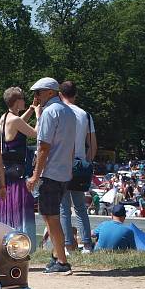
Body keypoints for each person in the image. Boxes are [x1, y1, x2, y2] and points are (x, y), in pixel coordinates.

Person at [26, 77, 76, 275]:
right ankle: (56, 256)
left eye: (38, 92)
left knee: (51, 217)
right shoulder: (69, 112)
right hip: (63, 172)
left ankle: (62, 261)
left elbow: (44, 148)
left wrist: (35, 176)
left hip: (50, 172)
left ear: (49, 92)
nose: (36, 97)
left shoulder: (49, 112)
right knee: (52, 217)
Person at [58, 80, 96, 254]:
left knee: (64, 207)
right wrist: (86, 162)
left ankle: (67, 246)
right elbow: (93, 145)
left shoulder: (58, 112)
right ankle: (87, 244)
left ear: (60, 94)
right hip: (79, 162)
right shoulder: (85, 115)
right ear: (76, 94)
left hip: (62, 162)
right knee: (80, 207)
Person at [0, 86, 37, 248]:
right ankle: (23, 243)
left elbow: (20, 123)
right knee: (20, 209)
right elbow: (35, 133)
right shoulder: (16, 120)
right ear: (16, 101)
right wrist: (40, 115)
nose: (24, 100)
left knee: (9, 209)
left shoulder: (5, 117)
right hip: (18, 173)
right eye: (22, 98)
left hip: (8, 173)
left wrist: (31, 110)